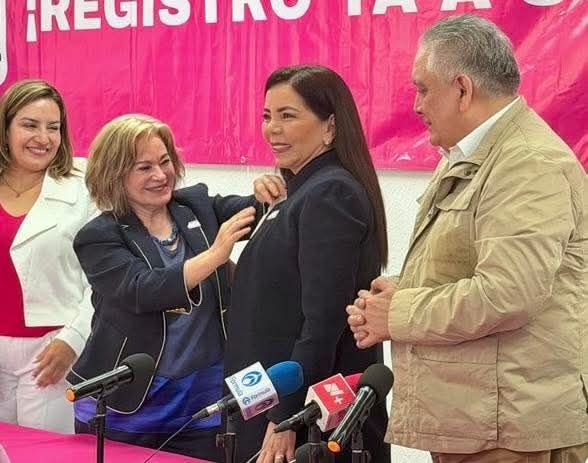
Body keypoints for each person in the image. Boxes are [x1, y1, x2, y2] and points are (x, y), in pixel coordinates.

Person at [347, 14, 588, 463]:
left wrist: (398, 313)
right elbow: (474, 266)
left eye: (423, 89)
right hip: (477, 423)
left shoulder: (527, 163)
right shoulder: (473, 154)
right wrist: (403, 289)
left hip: (509, 432)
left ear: (462, 89)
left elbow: (507, 294)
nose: (416, 105)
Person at [67, 114, 285, 460]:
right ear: (114, 175)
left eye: (165, 161)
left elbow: (253, 211)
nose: (160, 175)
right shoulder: (98, 237)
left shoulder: (196, 205)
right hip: (130, 405)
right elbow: (142, 290)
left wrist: (266, 191)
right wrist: (214, 256)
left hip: (202, 401)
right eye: (144, 167)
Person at [224, 65, 391, 463]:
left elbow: (323, 323)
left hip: (307, 419)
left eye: (288, 116)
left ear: (330, 126)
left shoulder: (330, 192)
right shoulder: (297, 190)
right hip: (270, 400)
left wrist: (287, 418)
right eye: (267, 116)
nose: (273, 129)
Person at [0, 79, 94, 433]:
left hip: (50, 354)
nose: (43, 138)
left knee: (43, 452)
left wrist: (73, 339)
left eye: (53, 128)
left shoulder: (84, 189)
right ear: (6, 128)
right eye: (30, 125)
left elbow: (103, 281)